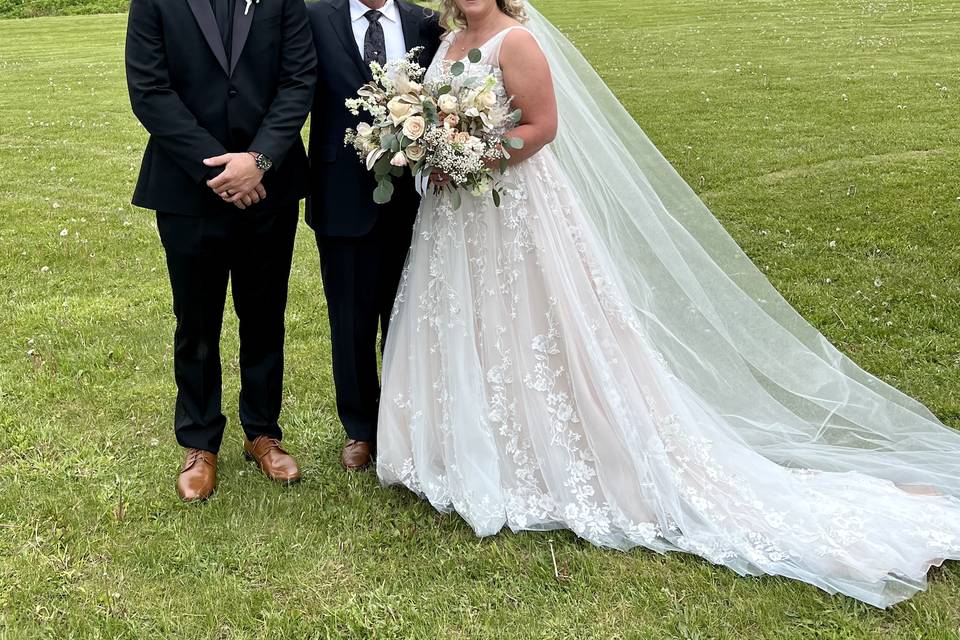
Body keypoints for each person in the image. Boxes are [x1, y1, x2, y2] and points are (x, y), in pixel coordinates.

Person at [375, 0, 960, 607]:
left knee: (532, 324)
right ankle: (462, 445)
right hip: (455, 218)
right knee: (469, 323)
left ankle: (560, 452)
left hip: (513, 211)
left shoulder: (515, 42)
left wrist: (465, 156)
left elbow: (542, 128)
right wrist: (430, 155)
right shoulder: (447, 42)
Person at [125, 0, 317, 501]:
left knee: (264, 314)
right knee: (195, 320)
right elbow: (149, 90)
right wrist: (218, 170)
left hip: (268, 186)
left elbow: (299, 80)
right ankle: (199, 441)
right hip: (187, 190)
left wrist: (259, 160)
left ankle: (262, 432)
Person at [305, 0, 443, 471]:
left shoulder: (425, 23)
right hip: (340, 195)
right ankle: (360, 429)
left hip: (416, 201)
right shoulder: (313, 17)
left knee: (408, 315)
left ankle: (403, 421)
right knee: (350, 320)